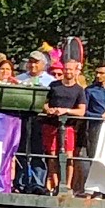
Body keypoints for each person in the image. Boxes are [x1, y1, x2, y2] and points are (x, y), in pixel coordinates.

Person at [41, 58, 89, 194]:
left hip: (68, 127)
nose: (67, 71)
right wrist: (48, 110)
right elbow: (44, 103)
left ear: (76, 71)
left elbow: (81, 111)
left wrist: (66, 111)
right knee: (51, 156)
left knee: (69, 157)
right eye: (66, 68)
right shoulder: (54, 85)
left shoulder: (79, 90)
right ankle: (54, 184)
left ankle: (67, 185)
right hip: (51, 125)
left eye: (70, 69)